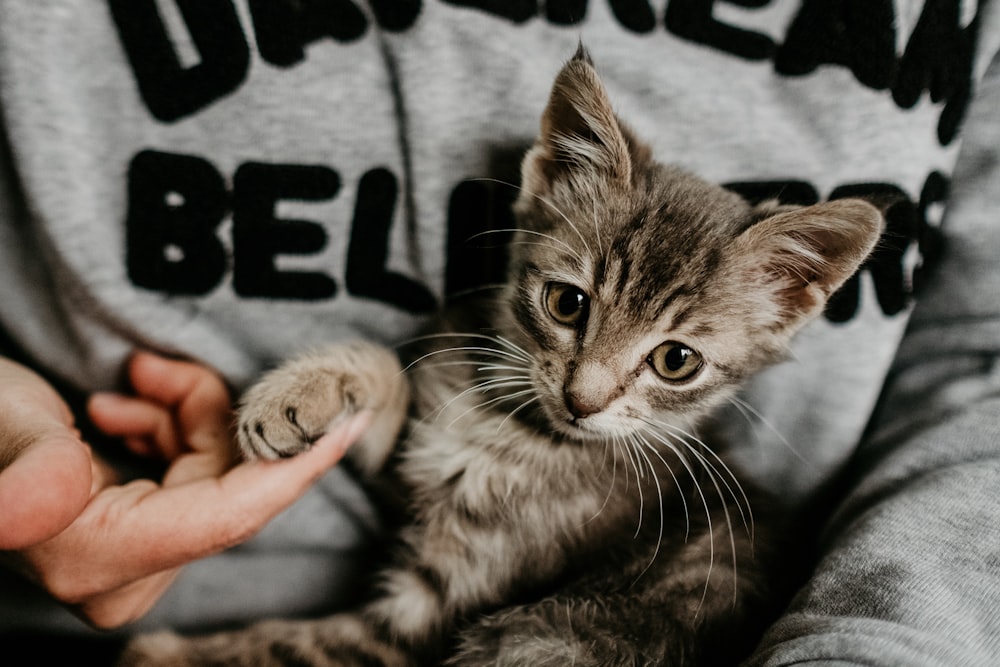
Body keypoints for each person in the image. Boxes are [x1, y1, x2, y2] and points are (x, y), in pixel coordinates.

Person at [0, 1, 998, 664]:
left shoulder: (647, 506)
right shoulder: (483, 357)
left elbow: (406, 640)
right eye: (568, 305)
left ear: (788, 297)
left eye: (673, 361)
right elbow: (416, 413)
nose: (586, 392)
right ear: (549, 182)